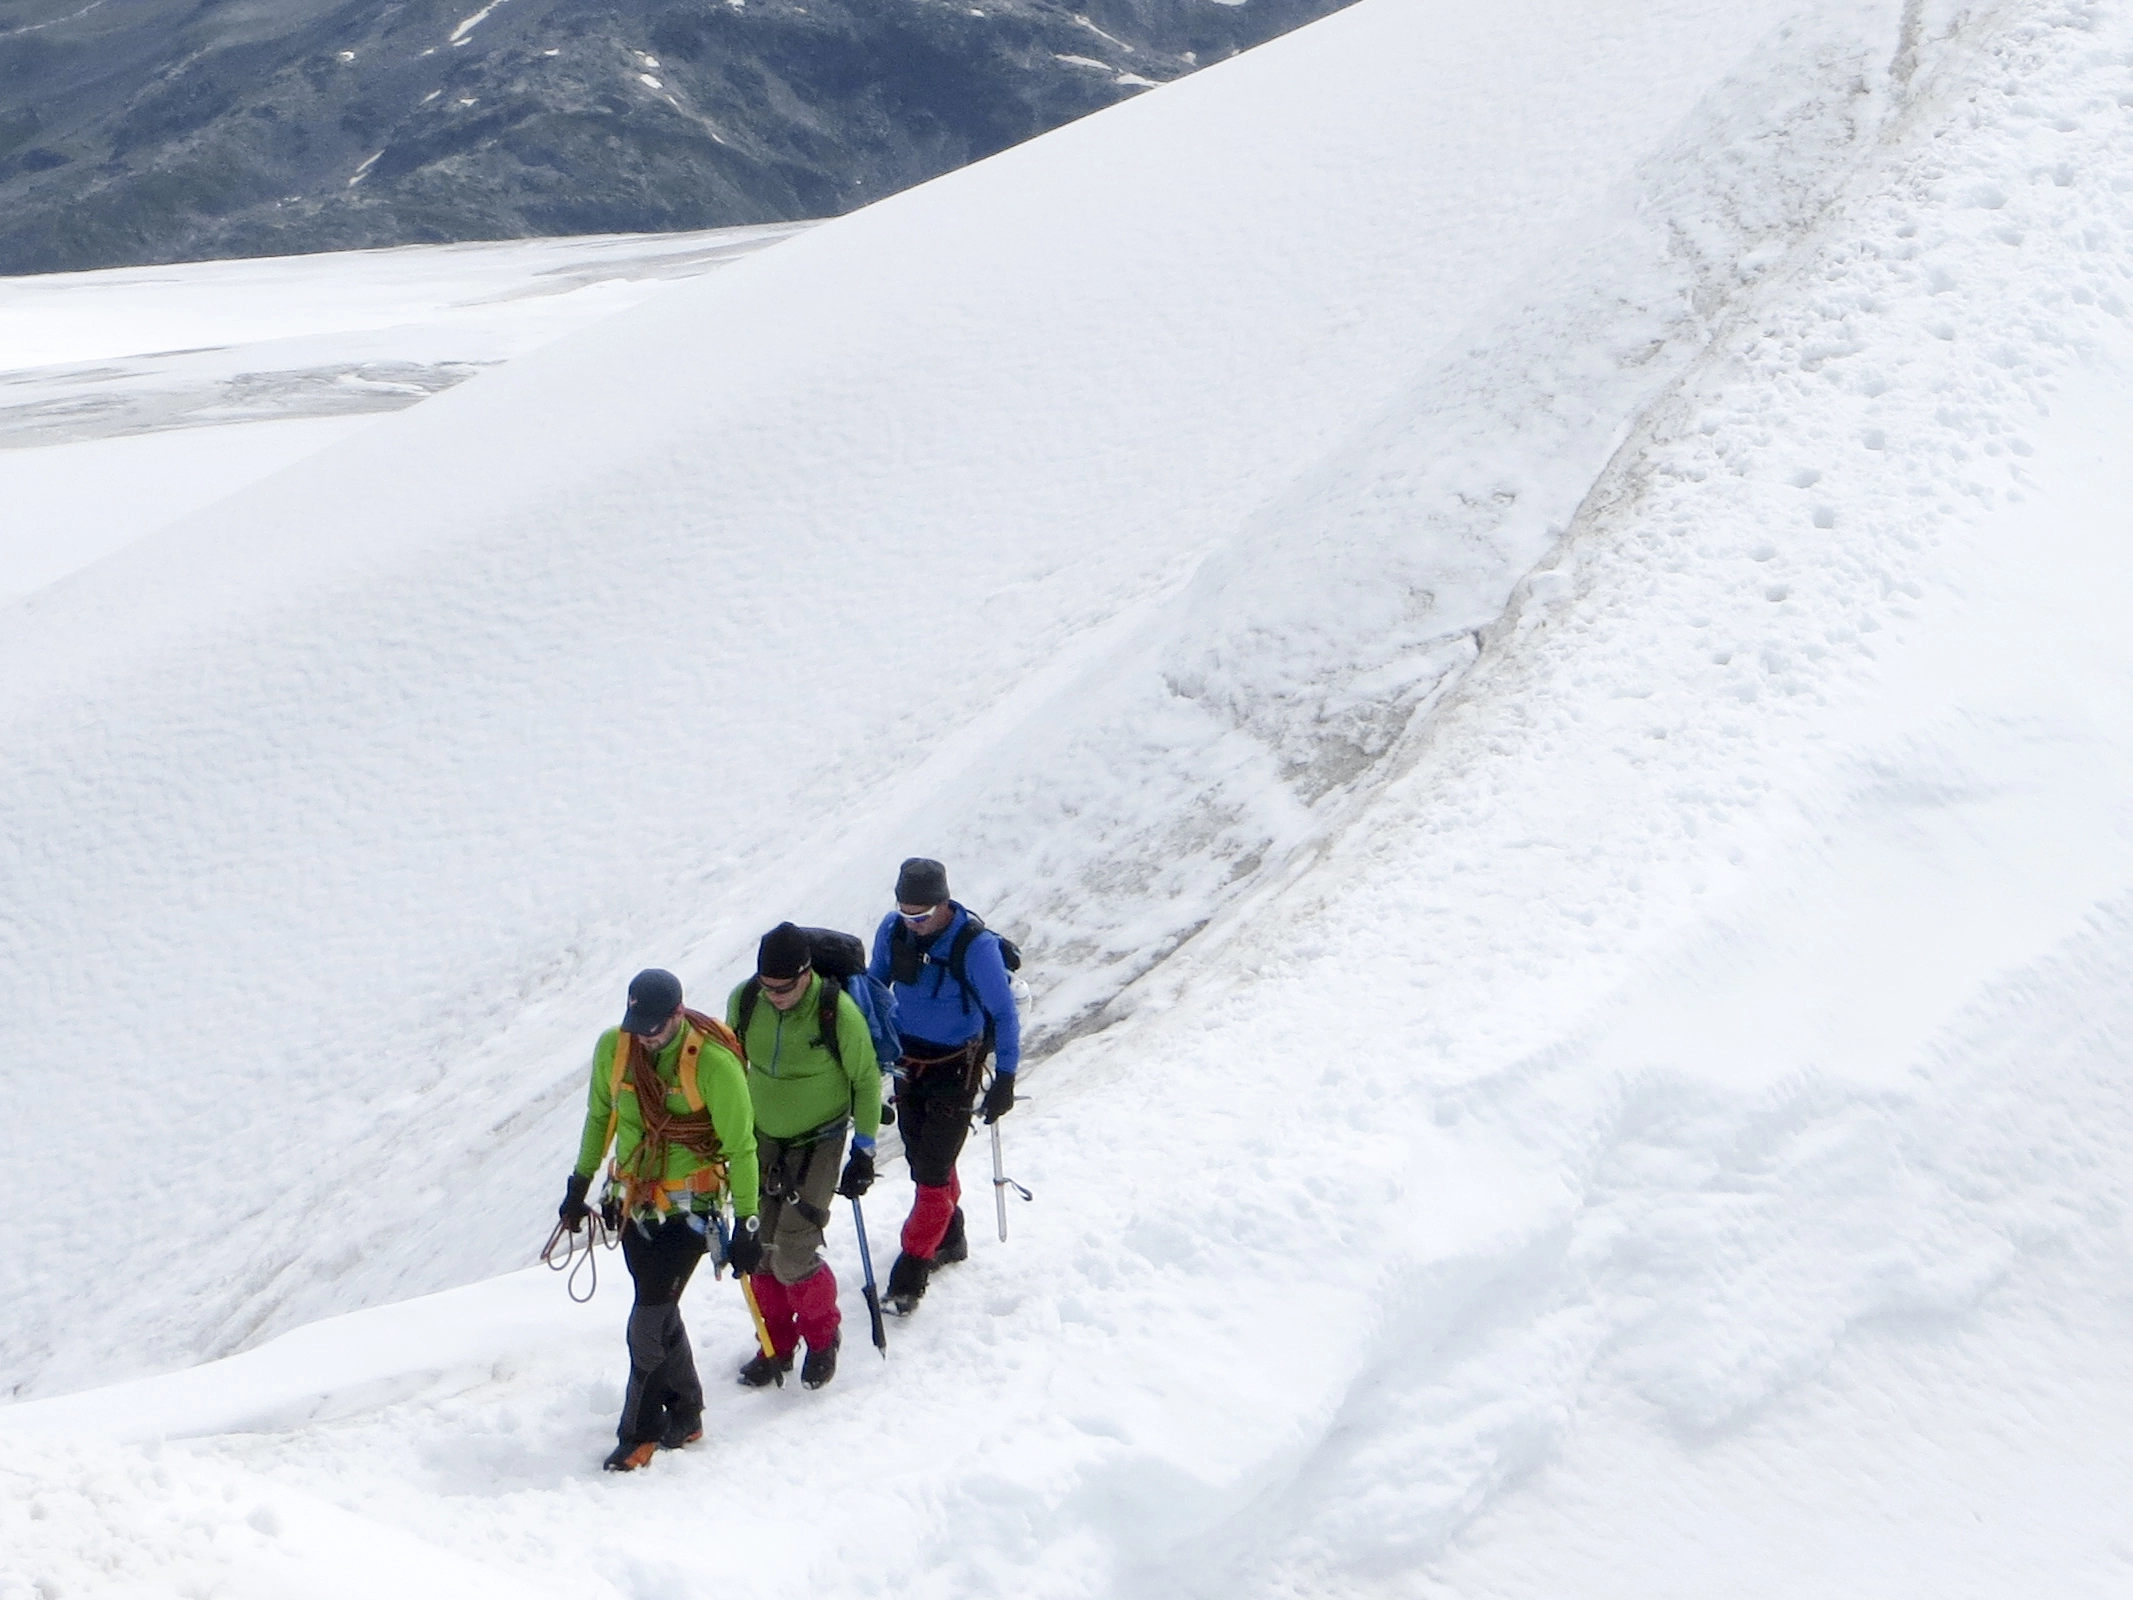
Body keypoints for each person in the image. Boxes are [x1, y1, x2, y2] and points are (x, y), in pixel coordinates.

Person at [561, 968, 761, 1472]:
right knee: (658, 1306)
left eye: (654, 1026)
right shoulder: (615, 1048)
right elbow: (599, 1116)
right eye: (638, 1025)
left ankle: (639, 1435)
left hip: (690, 1214)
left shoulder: (713, 1064)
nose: (645, 1036)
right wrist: (578, 1185)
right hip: (634, 1202)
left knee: (647, 1322)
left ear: (678, 1013)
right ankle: (688, 1411)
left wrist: (748, 1223)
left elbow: (741, 1147)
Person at [725, 922, 882, 1390]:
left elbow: (867, 1080)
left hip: (820, 1137)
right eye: (766, 985)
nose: (774, 995)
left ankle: (821, 1337)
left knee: (792, 1255)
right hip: (760, 1135)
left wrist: (865, 1149)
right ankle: (775, 1343)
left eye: (784, 987)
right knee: (758, 1250)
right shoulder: (745, 1000)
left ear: (806, 974)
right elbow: (729, 1063)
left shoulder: (837, 1012)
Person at [868, 858, 1019, 1315]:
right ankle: (950, 1238)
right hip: (908, 1062)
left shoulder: (976, 947)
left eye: (921, 915)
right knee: (920, 1156)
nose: (912, 924)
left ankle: (911, 1269)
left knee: (932, 1172)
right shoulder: (893, 930)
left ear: (944, 902)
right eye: (905, 912)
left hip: (957, 1067)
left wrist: (1006, 1078)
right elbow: (876, 986)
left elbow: (1004, 1014)